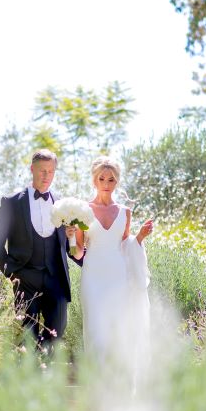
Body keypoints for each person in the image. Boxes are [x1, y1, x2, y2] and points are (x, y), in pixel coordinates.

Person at [0, 149, 82, 355]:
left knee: (58, 330)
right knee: (27, 336)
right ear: (32, 169)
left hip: (55, 278)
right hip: (25, 279)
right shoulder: (12, 203)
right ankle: (32, 374)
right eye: (42, 170)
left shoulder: (63, 205)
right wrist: (12, 274)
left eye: (50, 171)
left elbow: (69, 248)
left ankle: (43, 367)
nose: (46, 176)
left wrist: (73, 239)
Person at [70, 157, 153, 388]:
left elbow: (125, 247)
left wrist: (141, 237)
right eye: (102, 179)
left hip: (119, 277)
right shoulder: (82, 211)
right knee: (96, 328)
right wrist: (70, 235)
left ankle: (120, 382)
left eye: (111, 179)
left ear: (117, 182)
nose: (106, 183)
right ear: (94, 180)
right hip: (93, 277)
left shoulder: (125, 212)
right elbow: (78, 253)